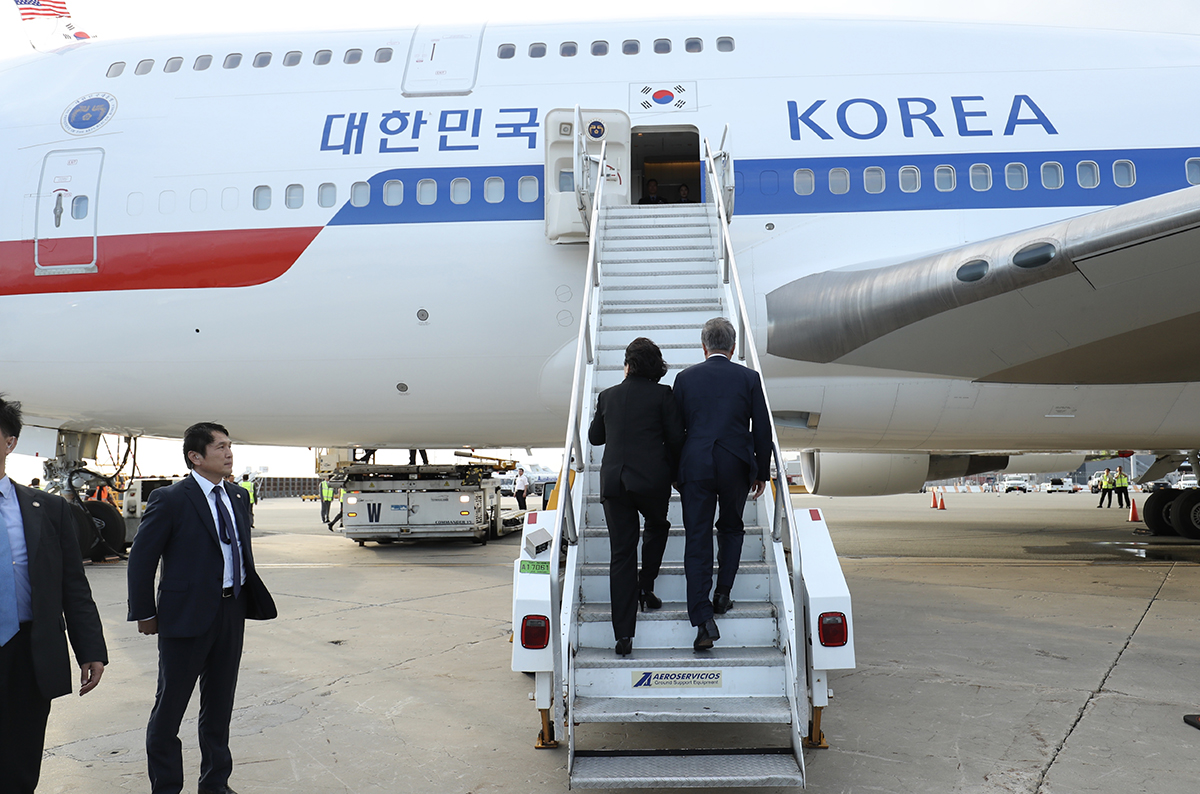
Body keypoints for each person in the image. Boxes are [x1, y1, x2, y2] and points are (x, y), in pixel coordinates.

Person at [127, 422, 277, 794]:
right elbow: (142, 560)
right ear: (196, 456)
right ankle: (166, 787)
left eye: (230, 446)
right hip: (185, 616)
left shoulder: (239, 496)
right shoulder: (171, 498)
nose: (229, 454)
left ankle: (215, 784)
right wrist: (145, 611)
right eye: (220, 447)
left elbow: (239, 551)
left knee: (219, 706)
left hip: (231, 610)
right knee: (170, 709)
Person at [0, 395, 107, 793]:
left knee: (21, 758)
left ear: (10, 442)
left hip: (30, 648)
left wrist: (90, 648)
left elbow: (72, 585)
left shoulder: (48, 508)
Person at [673, 318, 771, 651]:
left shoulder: (684, 379)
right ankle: (723, 594)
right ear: (732, 347)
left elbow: (675, 432)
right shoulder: (749, 378)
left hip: (696, 465)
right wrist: (763, 471)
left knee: (697, 539)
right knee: (731, 528)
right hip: (735, 464)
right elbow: (762, 427)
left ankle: (702, 621)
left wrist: (677, 471)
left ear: (704, 347)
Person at [588, 338, 685, 656]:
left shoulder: (608, 396)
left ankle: (623, 636)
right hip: (651, 481)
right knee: (658, 527)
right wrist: (674, 474)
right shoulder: (662, 394)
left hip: (614, 484)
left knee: (622, 554)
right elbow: (675, 440)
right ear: (655, 367)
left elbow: (595, 437)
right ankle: (646, 586)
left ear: (627, 365)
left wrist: (601, 411)